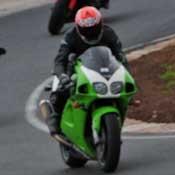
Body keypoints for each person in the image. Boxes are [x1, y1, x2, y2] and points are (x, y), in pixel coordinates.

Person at [47, 6, 129, 134]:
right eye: (86, 30)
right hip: (75, 70)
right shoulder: (70, 36)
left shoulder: (109, 33)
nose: (90, 33)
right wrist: (62, 76)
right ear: (78, 27)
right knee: (61, 90)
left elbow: (121, 56)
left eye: (93, 29)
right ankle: (55, 117)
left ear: (100, 24)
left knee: (124, 91)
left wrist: (126, 74)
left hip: (103, 68)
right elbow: (59, 60)